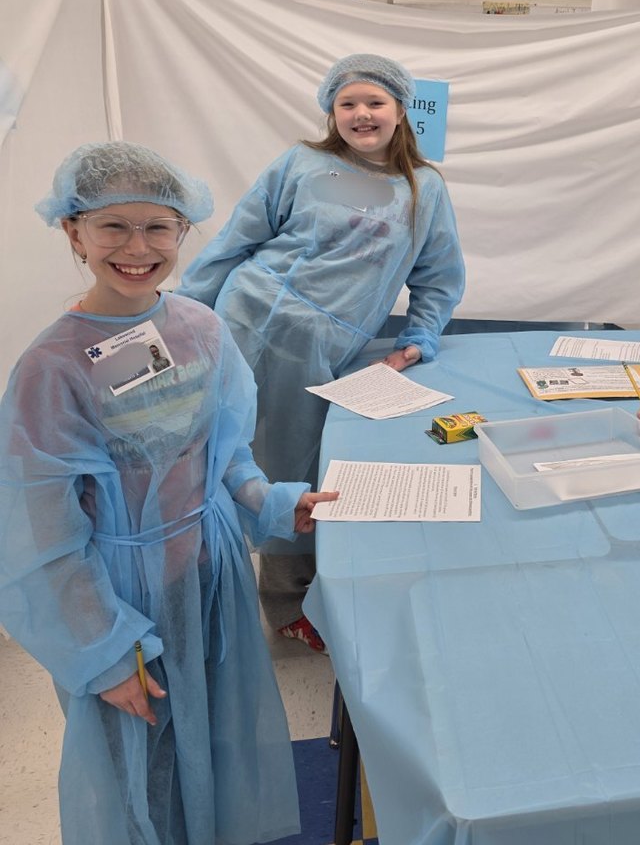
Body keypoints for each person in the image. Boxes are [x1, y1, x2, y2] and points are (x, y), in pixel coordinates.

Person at [0, 141, 339, 844]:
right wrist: (102, 650)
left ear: (183, 231)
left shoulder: (198, 329)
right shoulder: (52, 369)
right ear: (73, 231)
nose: (137, 247)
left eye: (157, 226)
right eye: (113, 225)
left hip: (209, 578)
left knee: (212, 740)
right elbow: (44, 534)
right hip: (125, 598)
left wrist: (272, 500)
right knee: (139, 767)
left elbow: (225, 451)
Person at [177, 53, 466, 650]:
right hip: (243, 317)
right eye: (347, 103)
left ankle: (292, 595)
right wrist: (183, 312)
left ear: (400, 109)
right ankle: (224, 597)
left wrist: (420, 337)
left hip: (316, 350)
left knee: (295, 467)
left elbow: (438, 276)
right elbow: (238, 239)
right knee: (210, 453)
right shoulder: (300, 164)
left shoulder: (424, 187)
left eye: (375, 102)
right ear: (331, 112)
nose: (362, 113)